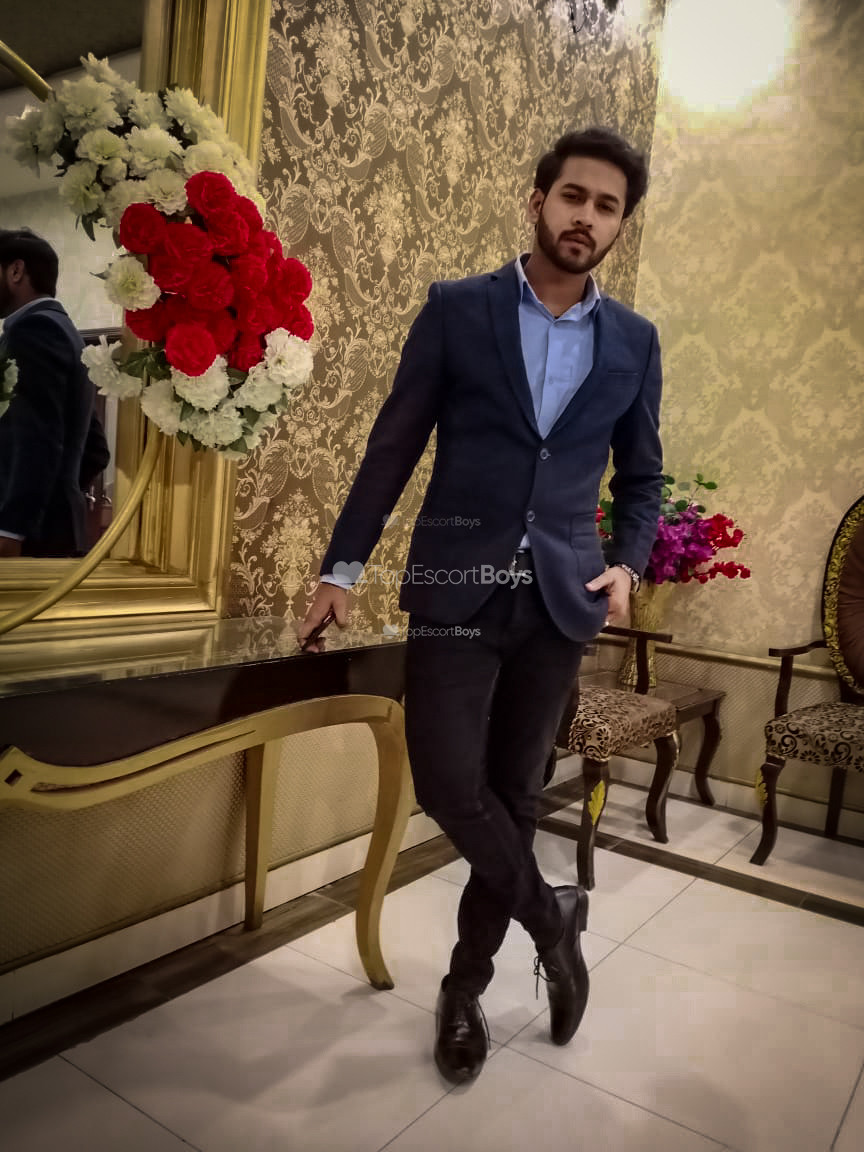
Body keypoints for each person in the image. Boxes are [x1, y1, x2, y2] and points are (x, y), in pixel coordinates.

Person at [299, 127, 664, 1084]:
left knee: (513, 794)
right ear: (539, 199)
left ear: (620, 225)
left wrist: (628, 563)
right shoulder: (458, 309)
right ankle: (554, 919)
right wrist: (342, 569)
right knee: (448, 787)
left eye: (608, 206)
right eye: (574, 196)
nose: (586, 217)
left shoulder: (634, 341)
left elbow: (644, 476)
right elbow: (393, 445)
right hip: (457, 585)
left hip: (563, 597)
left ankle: (465, 989)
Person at [0, 229, 108, 558]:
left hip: (25, 540)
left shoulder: (32, 330)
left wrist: (11, 528)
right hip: (55, 533)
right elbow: (95, 450)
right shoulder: (65, 330)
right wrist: (61, 492)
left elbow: (35, 437)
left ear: (16, 270)